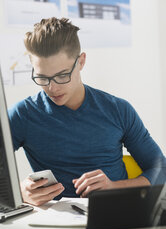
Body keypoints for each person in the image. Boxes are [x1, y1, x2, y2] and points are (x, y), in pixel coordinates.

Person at [8, 17, 166, 206]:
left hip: (115, 215)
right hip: (52, 225)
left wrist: (115, 187)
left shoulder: (118, 110)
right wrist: (20, 191)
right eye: (42, 78)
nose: (52, 88)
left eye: (62, 75)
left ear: (81, 61)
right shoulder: (22, 114)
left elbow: (160, 168)